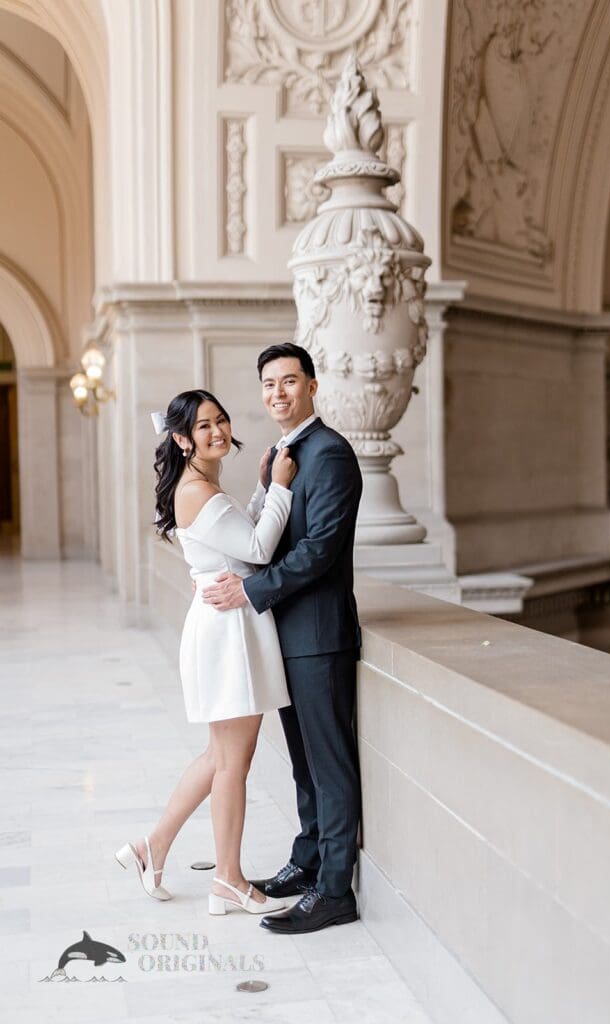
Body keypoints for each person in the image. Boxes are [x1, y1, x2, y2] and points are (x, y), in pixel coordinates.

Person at [115, 389, 297, 917]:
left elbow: (241, 543)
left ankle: (153, 847)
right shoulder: (197, 490)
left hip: (225, 624)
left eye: (221, 420)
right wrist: (281, 489)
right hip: (228, 631)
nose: (218, 431)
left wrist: (264, 488)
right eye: (203, 427)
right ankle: (229, 880)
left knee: (220, 756)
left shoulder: (200, 484)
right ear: (180, 439)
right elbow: (260, 550)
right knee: (233, 762)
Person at [201, 343, 363, 935]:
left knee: (330, 766)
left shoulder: (331, 455)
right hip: (286, 636)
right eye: (268, 384)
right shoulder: (281, 455)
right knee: (303, 765)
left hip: (319, 636)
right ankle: (307, 860)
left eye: (289, 382)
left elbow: (320, 551)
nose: (277, 393)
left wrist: (250, 592)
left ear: (312, 386)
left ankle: (333, 891)